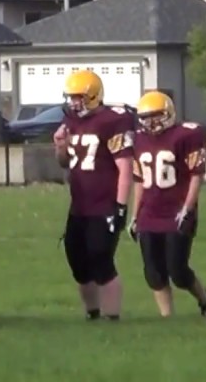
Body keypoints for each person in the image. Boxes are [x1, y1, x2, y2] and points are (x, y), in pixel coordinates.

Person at [53, 69, 135, 321]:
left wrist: (120, 207)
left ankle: (112, 317)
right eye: (71, 97)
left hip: (104, 204)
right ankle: (92, 313)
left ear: (93, 96)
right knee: (77, 261)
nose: (73, 102)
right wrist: (60, 146)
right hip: (79, 205)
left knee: (101, 259)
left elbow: (125, 167)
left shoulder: (113, 121)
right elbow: (64, 163)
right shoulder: (72, 122)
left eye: (79, 97)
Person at [128, 90, 206, 318]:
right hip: (150, 211)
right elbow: (139, 180)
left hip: (176, 209)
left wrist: (188, 207)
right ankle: (168, 318)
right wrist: (135, 215)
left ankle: (205, 299)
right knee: (153, 272)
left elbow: (196, 174)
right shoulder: (139, 139)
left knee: (177, 271)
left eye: (156, 115)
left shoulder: (186, 135)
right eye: (146, 117)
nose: (151, 122)